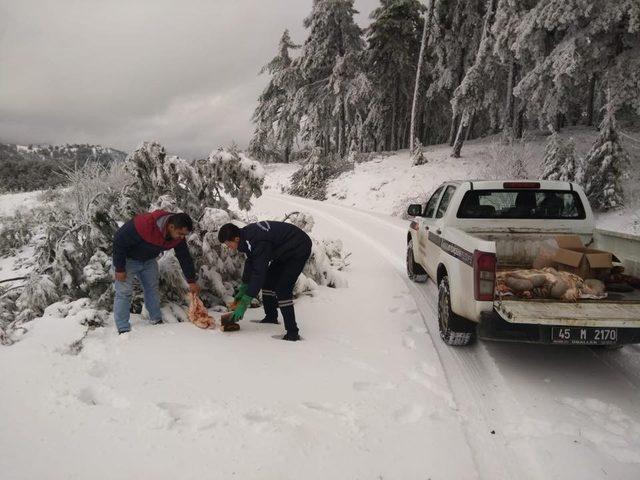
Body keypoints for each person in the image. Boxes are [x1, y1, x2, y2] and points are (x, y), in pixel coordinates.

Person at [218, 221, 312, 341]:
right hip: (284, 249)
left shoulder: (257, 241)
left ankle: (292, 333)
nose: (228, 247)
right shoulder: (246, 237)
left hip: (298, 248)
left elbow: (259, 273)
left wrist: (245, 301)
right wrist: (244, 286)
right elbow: (251, 261)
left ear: (236, 239)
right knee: (268, 282)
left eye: (228, 244)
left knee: (283, 289)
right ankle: (271, 317)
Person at [112, 210, 199, 334]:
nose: (181, 238)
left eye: (184, 235)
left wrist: (191, 281)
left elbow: (184, 256)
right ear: (171, 226)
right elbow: (119, 240)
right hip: (127, 260)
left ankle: (156, 320)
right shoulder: (144, 224)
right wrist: (119, 268)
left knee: (152, 289)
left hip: (148, 260)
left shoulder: (178, 236)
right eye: (180, 234)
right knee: (124, 292)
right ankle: (123, 328)